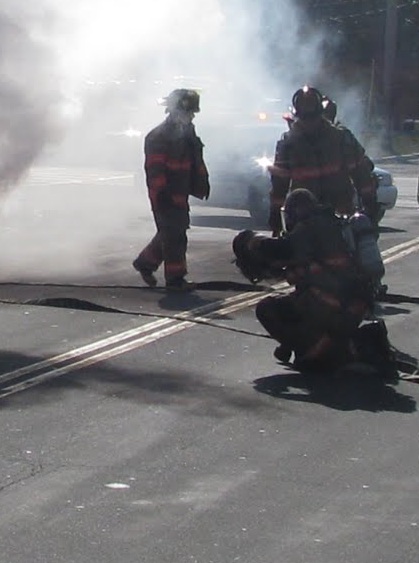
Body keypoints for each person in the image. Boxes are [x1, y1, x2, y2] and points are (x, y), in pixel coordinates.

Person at [233, 188, 375, 371]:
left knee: (266, 308)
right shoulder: (332, 223)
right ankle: (320, 346)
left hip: (335, 305)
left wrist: (252, 242)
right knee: (299, 297)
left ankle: (310, 349)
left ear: (296, 211)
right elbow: (306, 267)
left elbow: (281, 249)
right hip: (354, 305)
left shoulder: (310, 227)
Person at [267, 85, 378, 233]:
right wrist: (275, 213)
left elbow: (362, 174)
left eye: (311, 118)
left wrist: (370, 205)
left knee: (359, 249)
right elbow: (279, 185)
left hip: (338, 219)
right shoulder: (289, 145)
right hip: (306, 222)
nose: (310, 124)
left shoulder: (341, 139)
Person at [133, 87, 209, 290]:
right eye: (188, 112)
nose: (192, 116)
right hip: (164, 194)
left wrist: (201, 182)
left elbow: (195, 161)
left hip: (180, 191)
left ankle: (145, 263)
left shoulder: (187, 134)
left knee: (171, 231)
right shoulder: (158, 136)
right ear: (175, 111)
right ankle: (175, 279)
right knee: (175, 235)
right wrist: (162, 193)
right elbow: (154, 169)